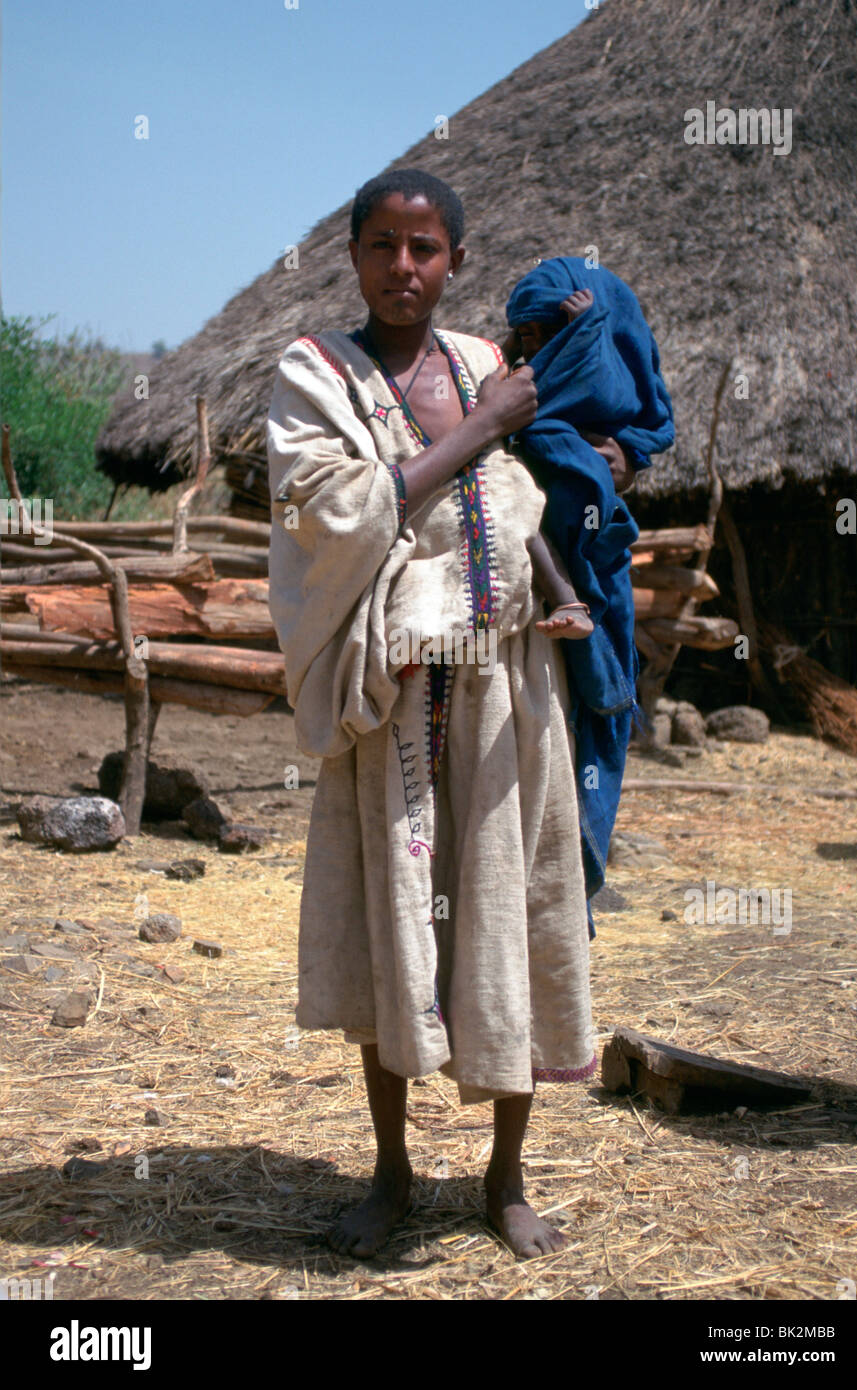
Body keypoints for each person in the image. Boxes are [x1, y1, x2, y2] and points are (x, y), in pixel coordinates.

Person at [267, 171, 596, 1260]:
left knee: (511, 910)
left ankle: (505, 1177)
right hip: (392, 693)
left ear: (456, 258)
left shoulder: (476, 365)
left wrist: (558, 588)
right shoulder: (313, 375)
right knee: (393, 922)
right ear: (353, 255)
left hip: (503, 689)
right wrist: (487, 424)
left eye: (426, 249)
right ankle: (394, 1173)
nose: (404, 268)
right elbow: (342, 510)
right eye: (382, 246)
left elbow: (513, 496)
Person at [501, 259, 675, 937]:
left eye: (554, 332)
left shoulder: (600, 425)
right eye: (531, 334)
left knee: (577, 752)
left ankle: (563, 909)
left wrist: (625, 462)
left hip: (583, 616)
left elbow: (633, 421)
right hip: (512, 623)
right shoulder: (508, 397)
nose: (534, 347)